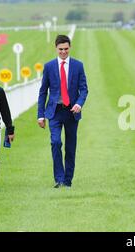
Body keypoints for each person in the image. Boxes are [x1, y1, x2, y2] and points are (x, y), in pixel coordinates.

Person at [38, 35, 88, 188]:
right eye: (61, 49)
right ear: (56, 49)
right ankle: (59, 178)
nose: (63, 52)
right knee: (56, 142)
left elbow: (84, 89)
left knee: (70, 147)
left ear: (70, 47)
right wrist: (40, 115)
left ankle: (67, 180)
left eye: (66, 49)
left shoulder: (78, 66)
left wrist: (79, 104)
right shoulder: (49, 66)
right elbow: (43, 92)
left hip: (72, 112)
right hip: (54, 112)